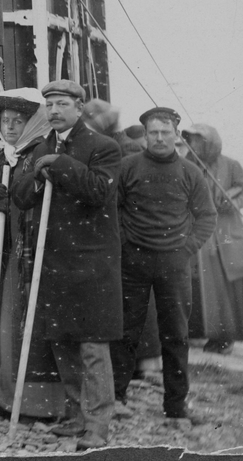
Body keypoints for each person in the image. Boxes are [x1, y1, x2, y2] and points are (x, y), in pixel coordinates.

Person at [9, 80, 123, 450]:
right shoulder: (40, 146)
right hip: (53, 260)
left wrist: (61, 165)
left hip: (91, 262)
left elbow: (100, 191)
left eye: (62, 103)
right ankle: (75, 416)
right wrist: (40, 177)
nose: (54, 111)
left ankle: (97, 424)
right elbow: (21, 196)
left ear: (79, 107)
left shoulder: (103, 147)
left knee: (92, 347)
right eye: (50, 105)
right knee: (63, 343)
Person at [111, 107, 215, 418]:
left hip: (175, 262)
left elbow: (206, 217)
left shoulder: (190, 172)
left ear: (176, 135)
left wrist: (186, 248)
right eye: (153, 132)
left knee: (176, 334)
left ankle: (176, 406)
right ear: (145, 136)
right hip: (134, 261)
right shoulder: (127, 166)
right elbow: (112, 209)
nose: (159, 138)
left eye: (165, 133)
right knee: (127, 329)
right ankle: (116, 397)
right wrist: (125, 242)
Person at [0, 89, 66, 418]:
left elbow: (44, 202)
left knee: (34, 326)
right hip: (10, 250)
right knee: (8, 325)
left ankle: (39, 405)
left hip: (35, 252)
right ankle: (6, 396)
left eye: (17, 121)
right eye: (5, 121)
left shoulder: (40, 152)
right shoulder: (2, 156)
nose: (11, 127)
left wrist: (12, 203)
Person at [183, 123, 243, 355]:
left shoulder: (230, 164)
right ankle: (201, 331)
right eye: (191, 139)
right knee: (197, 284)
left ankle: (224, 335)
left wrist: (232, 199)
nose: (194, 144)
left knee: (224, 287)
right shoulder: (187, 165)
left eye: (198, 139)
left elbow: (241, 187)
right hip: (196, 230)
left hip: (225, 233)